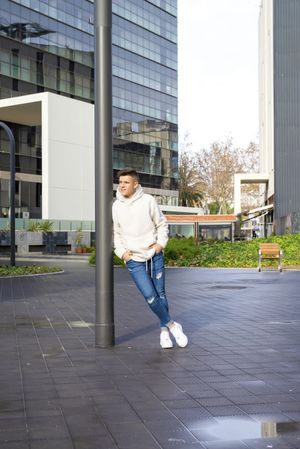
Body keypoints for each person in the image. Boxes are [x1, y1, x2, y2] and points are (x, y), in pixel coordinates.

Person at [112, 167, 188, 349]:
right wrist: (122, 252)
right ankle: (172, 325)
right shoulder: (116, 206)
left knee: (160, 295)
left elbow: (162, 224)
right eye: (120, 182)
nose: (122, 185)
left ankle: (164, 333)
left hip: (154, 255)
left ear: (135, 184)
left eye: (126, 182)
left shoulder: (148, 201)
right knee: (150, 297)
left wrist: (160, 244)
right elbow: (117, 232)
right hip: (133, 259)